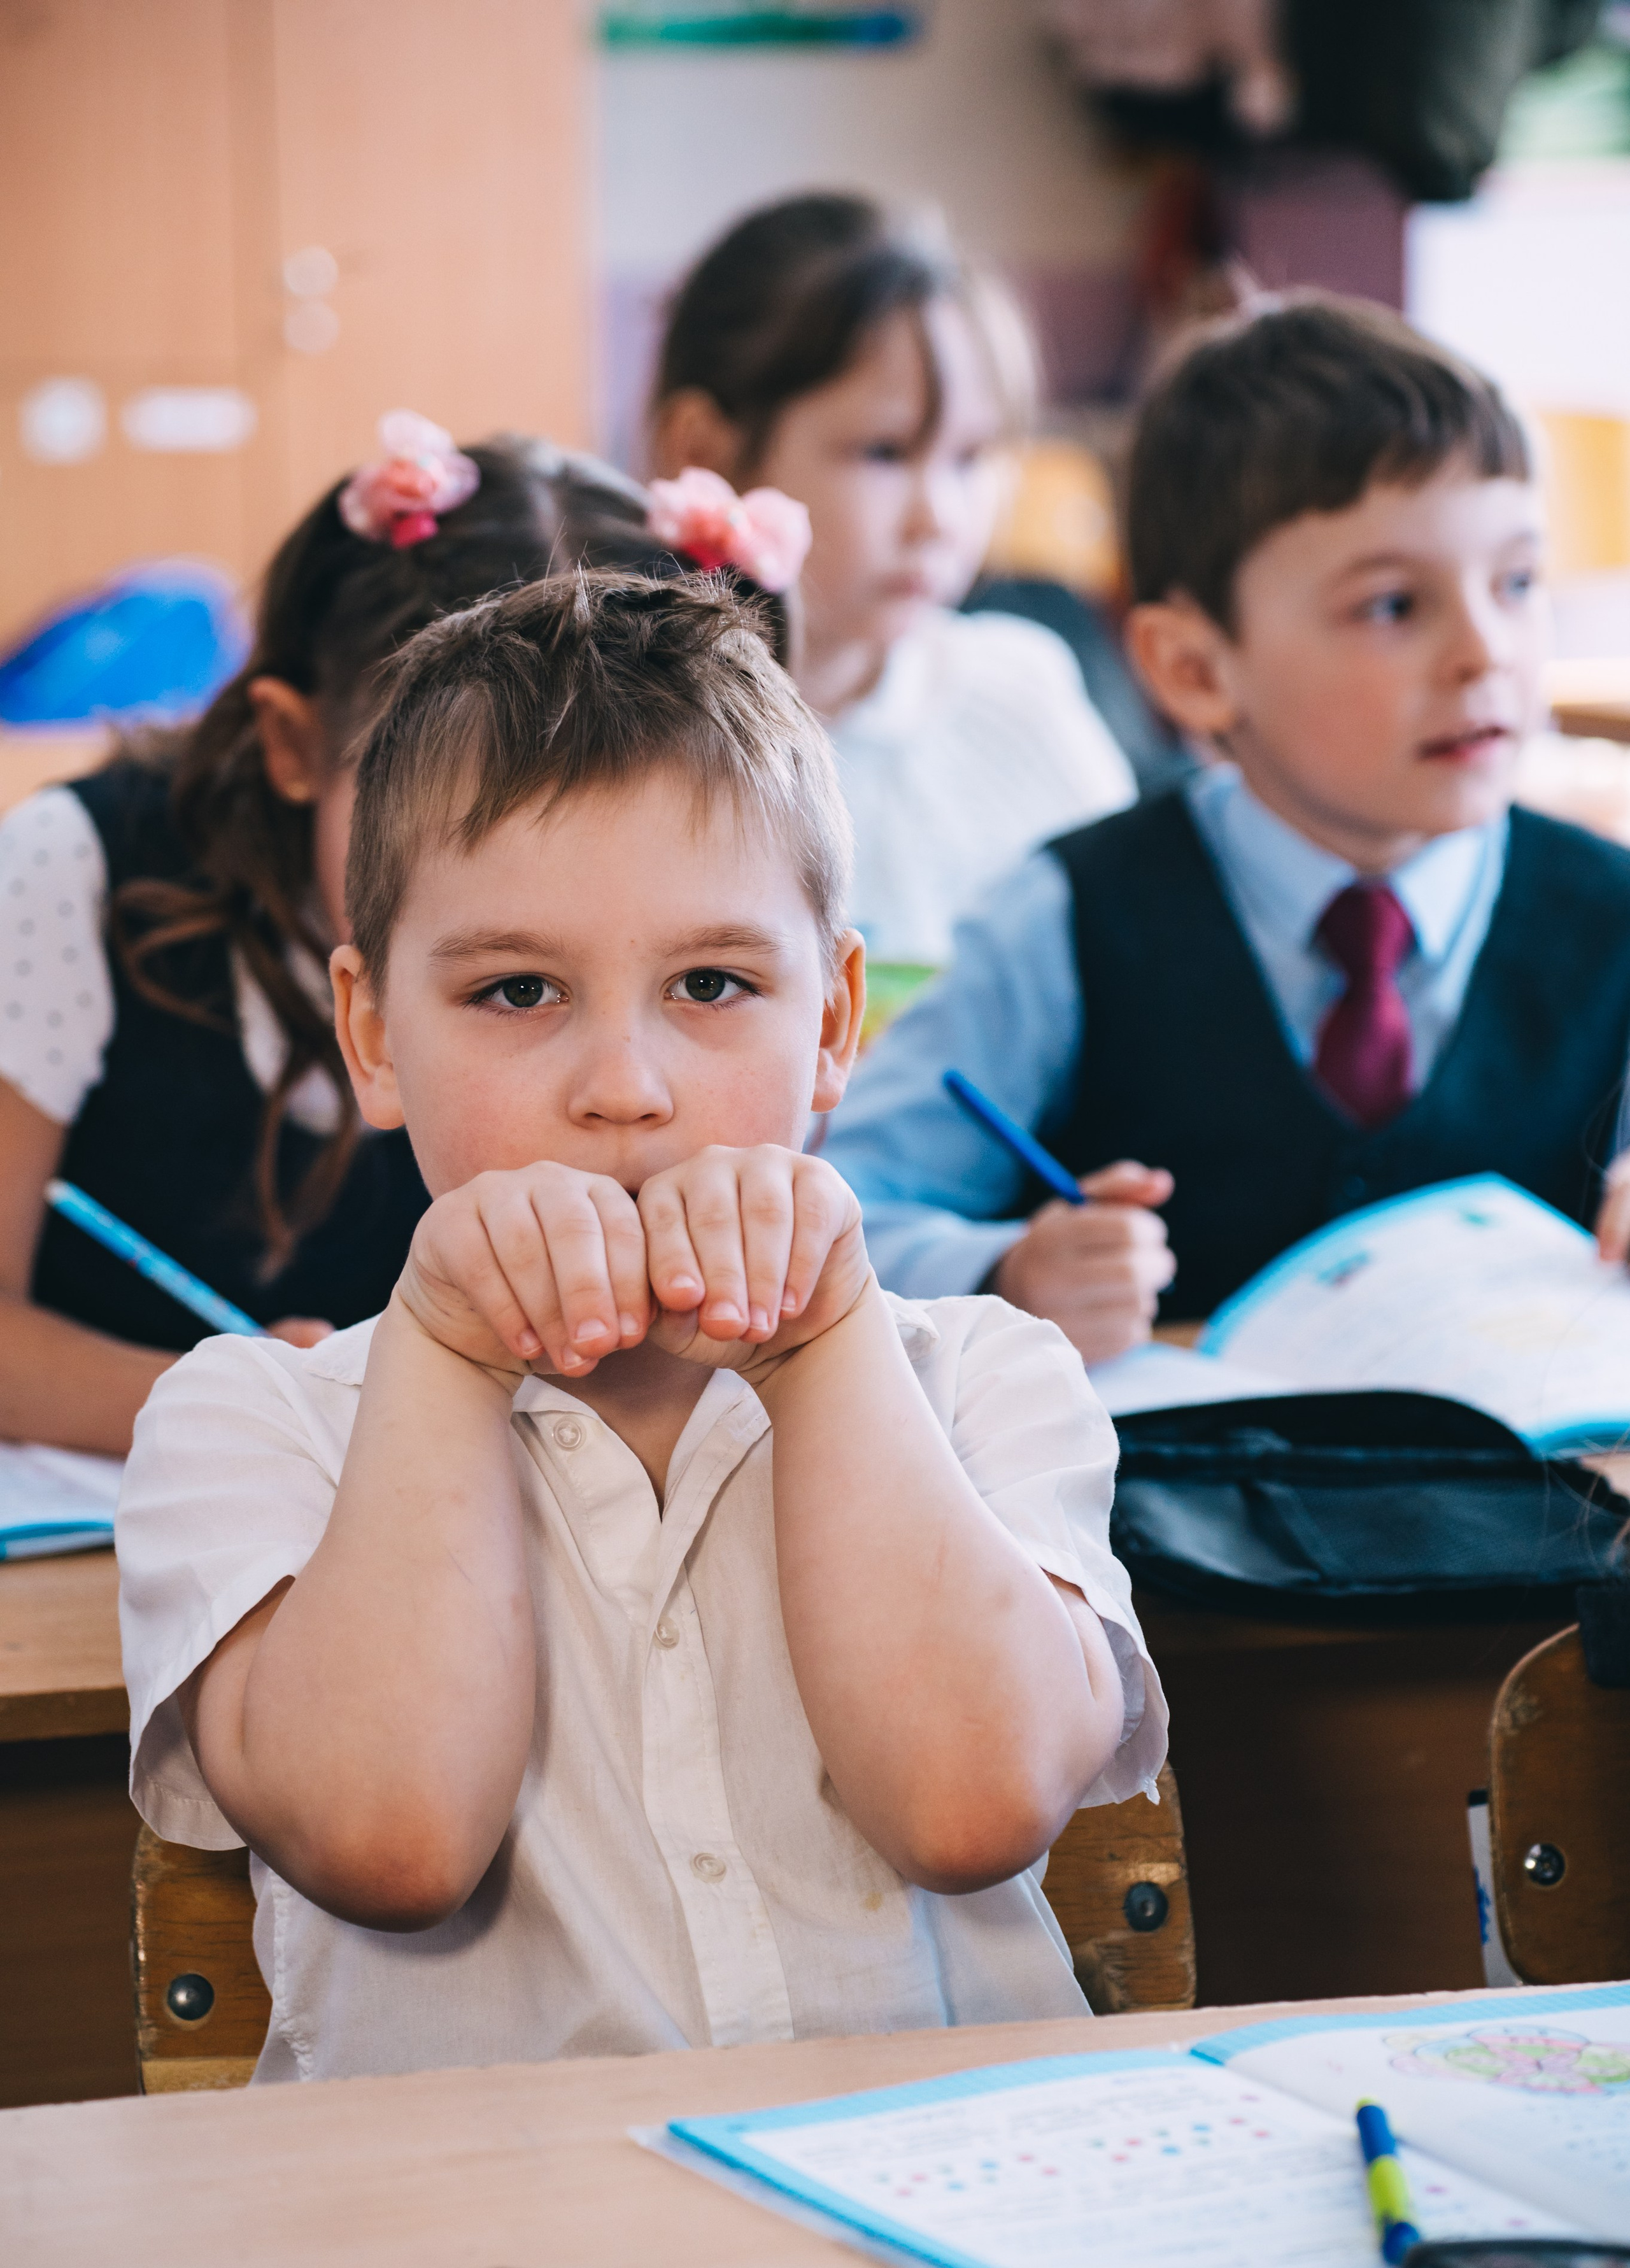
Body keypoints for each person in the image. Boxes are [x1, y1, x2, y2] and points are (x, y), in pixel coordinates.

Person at [115, 569, 1166, 2082]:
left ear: (830, 1024)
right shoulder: (251, 1424)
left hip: (941, 2217)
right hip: (449, 2257)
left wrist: (819, 1347)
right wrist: (441, 1347)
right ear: (370, 1033)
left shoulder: (977, 1376)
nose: (625, 1084)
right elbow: (388, 1838)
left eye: (713, 983)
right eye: (517, 988)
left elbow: (965, 1806)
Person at [821, 295, 1630, 1358]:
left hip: (1541, 1511)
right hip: (1170, 1511)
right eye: (1393, 605)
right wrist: (1007, 1270)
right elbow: (846, 1212)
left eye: (1518, 582)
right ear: (1194, 668)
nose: (1486, 651)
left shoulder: (1610, 914)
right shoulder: (1067, 914)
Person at [0, 413, 804, 1455]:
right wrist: (249, 1404)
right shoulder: (79, 870)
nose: (538, 863)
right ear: (294, 742)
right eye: (418, 776)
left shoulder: (723, 967)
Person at [648, 191, 1137, 967]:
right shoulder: (618, 730)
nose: (939, 517)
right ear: (704, 451)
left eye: (971, 458)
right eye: (883, 452)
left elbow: (1135, 968)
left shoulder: (1018, 697)